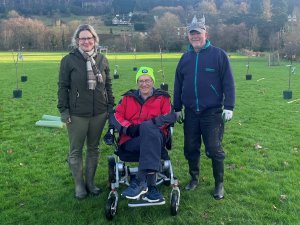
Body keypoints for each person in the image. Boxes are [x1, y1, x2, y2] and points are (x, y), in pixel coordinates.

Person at [173, 16, 235, 200]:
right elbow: (178, 85)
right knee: (190, 147)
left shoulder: (219, 55)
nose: (195, 37)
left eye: (198, 33)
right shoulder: (185, 58)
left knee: (214, 149)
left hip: (212, 113)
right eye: (192, 34)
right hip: (191, 113)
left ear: (205, 34)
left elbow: (229, 83)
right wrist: (177, 108)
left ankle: (219, 184)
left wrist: (229, 106)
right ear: (188, 37)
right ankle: (194, 178)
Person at [57, 24, 114, 199]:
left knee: (94, 149)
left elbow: (108, 85)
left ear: (95, 39)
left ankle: (90, 183)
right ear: (77, 41)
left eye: (89, 38)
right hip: (76, 114)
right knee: (75, 150)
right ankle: (79, 185)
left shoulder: (102, 59)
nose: (86, 41)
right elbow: (63, 87)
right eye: (82, 38)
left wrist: (110, 108)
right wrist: (64, 111)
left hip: (99, 113)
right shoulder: (68, 60)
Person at [110, 66, 176, 205]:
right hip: (132, 140)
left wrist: (150, 124)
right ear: (137, 82)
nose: (144, 84)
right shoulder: (128, 98)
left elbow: (170, 116)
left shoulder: (163, 98)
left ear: (153, 81)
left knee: (148, 128)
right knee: (149, 134)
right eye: (141, 80)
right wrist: (129, 129)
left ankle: (140, 182)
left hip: (155, 137)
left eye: (147, 80)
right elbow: (115, 116)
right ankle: (151, 188)